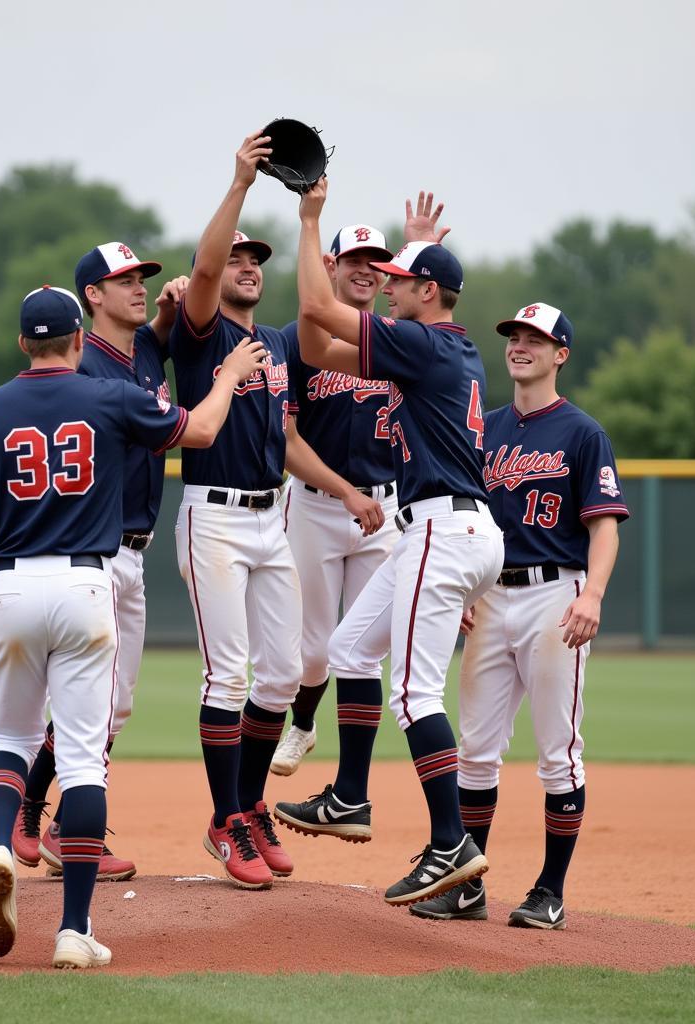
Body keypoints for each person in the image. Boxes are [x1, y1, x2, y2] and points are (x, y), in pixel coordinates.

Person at [0, 286, 265, 967]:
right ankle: (73, 930)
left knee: (10, 736)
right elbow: (200, 431)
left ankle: (1, 843)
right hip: (88, 582)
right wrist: (230, 377)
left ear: (24, 343)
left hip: (10, 582)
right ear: (79, 341)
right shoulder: (110, 396)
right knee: (85, 758)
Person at [278, 182, 504, 905]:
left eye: (405, 280)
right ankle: (349, 795)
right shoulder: (438, 348)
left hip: (442, 525)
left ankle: (449, 843)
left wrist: (310, 219)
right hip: (436, 529)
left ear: (430, 291)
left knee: (412, 691)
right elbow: (317, 345)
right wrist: (414, 242)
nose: (391, 287)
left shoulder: (425, 345)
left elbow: (316, 309)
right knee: (349, 650)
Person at [169, 132, 382, 891]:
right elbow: (200, 267)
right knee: (228, 676)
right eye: (239, 259)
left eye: (257, 260)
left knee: (287, 671)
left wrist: (309, 220)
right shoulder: (203, 339)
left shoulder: (278, 350)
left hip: (271, 519)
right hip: (215, 517)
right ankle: (226, 820)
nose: (247, 267)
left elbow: (290, 438)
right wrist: (238, 183)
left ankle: (248, 805)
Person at [409, 302, 628, 928]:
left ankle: (550, 890)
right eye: (514, 335)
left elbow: (605, 527)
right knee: (476, 751)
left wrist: (593, 596)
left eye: (536, 338)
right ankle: (467, 886)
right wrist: (467, 588)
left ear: (561, 354)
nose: (521, 345)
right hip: (492, 595)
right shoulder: (488, 427)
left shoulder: (583, 432)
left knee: (558, 752)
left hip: (555, 596)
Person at [12, 242, 188, 882]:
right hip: (93, 548)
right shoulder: (82, 371)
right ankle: (43, 814)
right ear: (92, 295)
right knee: (96, 700)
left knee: (115, 706)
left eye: (143, 276)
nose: (140, 286)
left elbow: (163, 337)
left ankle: (50, 818)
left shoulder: (142, 347)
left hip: (133, 549)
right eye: (125, 280)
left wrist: (167, 317)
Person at [271, 223, 401, 784]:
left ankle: (353, 784)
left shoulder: (400, 340)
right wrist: (346, 493)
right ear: (331, 266)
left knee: (366, 647)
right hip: (319, 507)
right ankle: (303, 722)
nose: (366, 268)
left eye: (377, 260)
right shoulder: (297, 342)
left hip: (387, 509)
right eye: (355, 259)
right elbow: (287, 442)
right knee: (313, 651)